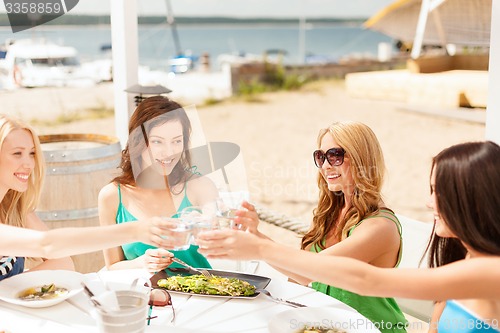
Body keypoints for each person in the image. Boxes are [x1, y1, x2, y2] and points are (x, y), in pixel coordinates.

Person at [198, 141, 500, 333]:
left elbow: (366, 280)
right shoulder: (465, 256)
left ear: (470, 200)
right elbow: (437, 319)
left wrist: (261, 248)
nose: (428, 202)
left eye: (438, 192)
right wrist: (258, 241)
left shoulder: (490, 271)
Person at [228, 121, 408, 332]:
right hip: (328, 324)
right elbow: (299, 273)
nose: (325, 165)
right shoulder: (332, 211)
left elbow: (313, 271)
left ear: (362, 159)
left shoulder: (379, 227)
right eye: (321, 157)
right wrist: (255, 236)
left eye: (335, 155)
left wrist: (258, 245)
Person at [0, 114, 176, 281]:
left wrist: (10, 286)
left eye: (32, 153)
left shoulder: (13, 208)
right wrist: (135, 231)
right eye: (17, 153)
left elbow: (63, 262)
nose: (29, 163)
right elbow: (48, 244)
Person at [99, 96, 218, 273]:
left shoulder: (199, 185)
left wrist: (210, 225)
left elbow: (216, 223)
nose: (169, 152)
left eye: (177, 141)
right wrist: (141, 263)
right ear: (138, 141)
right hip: (144, 296)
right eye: (157, 142)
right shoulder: (111, 196)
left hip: (202, 295)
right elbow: (113, 266)